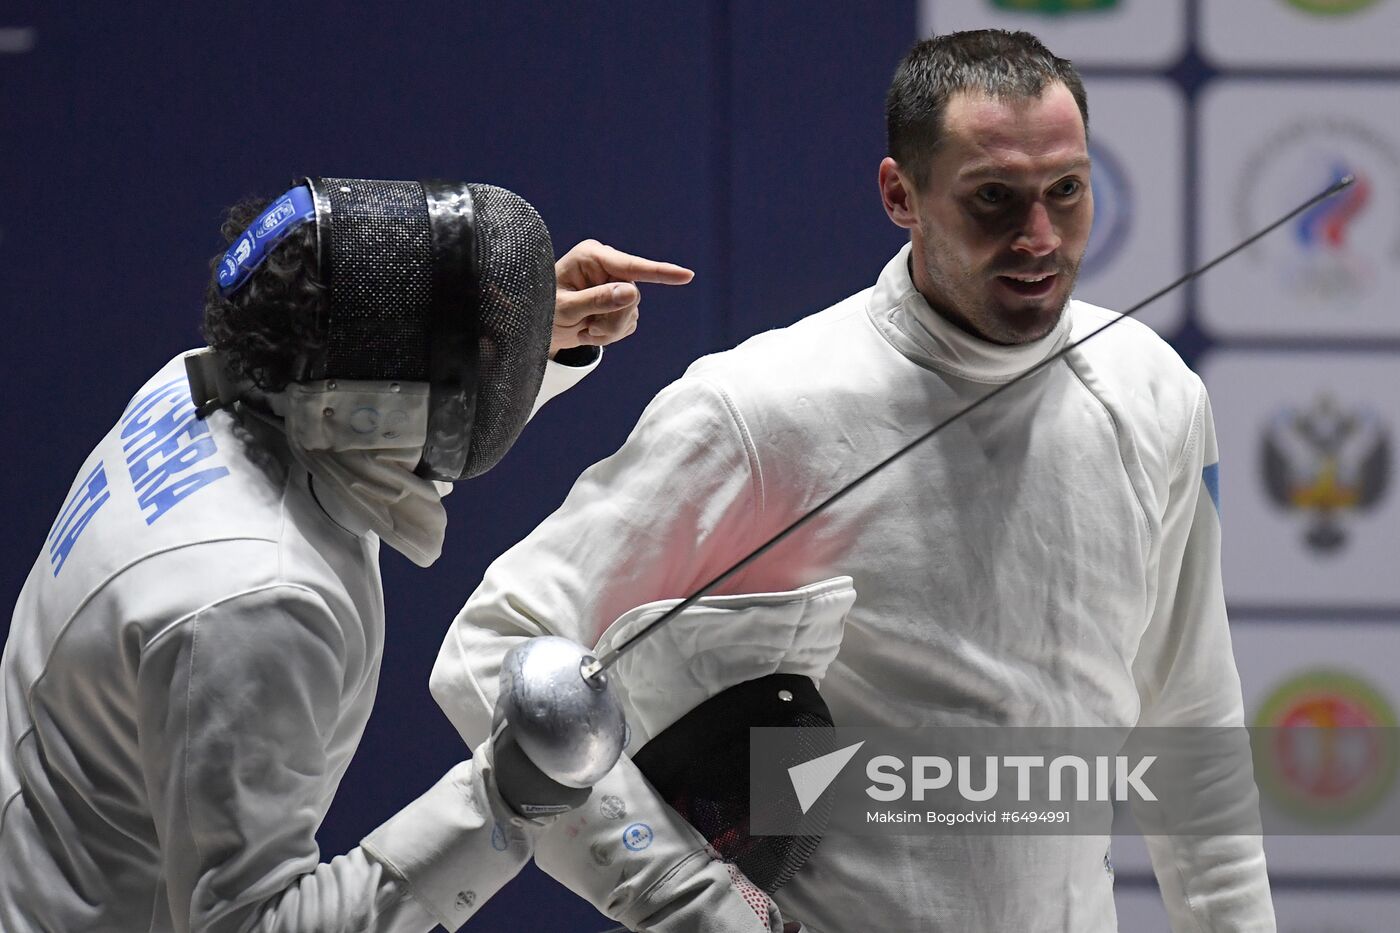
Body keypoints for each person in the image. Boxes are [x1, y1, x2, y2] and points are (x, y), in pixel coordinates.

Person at [429, 31, 1277, 932]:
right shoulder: (765, 408)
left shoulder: (1152, 395)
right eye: (994, 197)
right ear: (900, 195)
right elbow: (492, 650)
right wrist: (668, 887)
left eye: (1065, 190)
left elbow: (1195, 739)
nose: (1039, 237)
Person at [0, 176, 693, 932]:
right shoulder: (256, 601)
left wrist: (520, 339)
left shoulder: (202, 386)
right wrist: (499, 803)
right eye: (469, 356)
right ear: (362, 396)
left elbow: (385, 442)